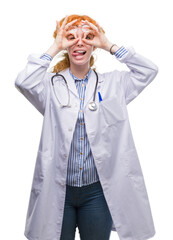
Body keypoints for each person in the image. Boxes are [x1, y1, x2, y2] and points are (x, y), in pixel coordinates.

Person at [14, 14, 158, 240]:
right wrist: (55, 45)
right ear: (65, 46)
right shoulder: (50, 86)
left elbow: (148, 71)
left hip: (96, 192)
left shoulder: (114, 84)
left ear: (94, 45)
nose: (79, 42)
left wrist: (108, 45)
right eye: (71, 38)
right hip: (58, 190)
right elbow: (23, 81)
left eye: (87, 37)